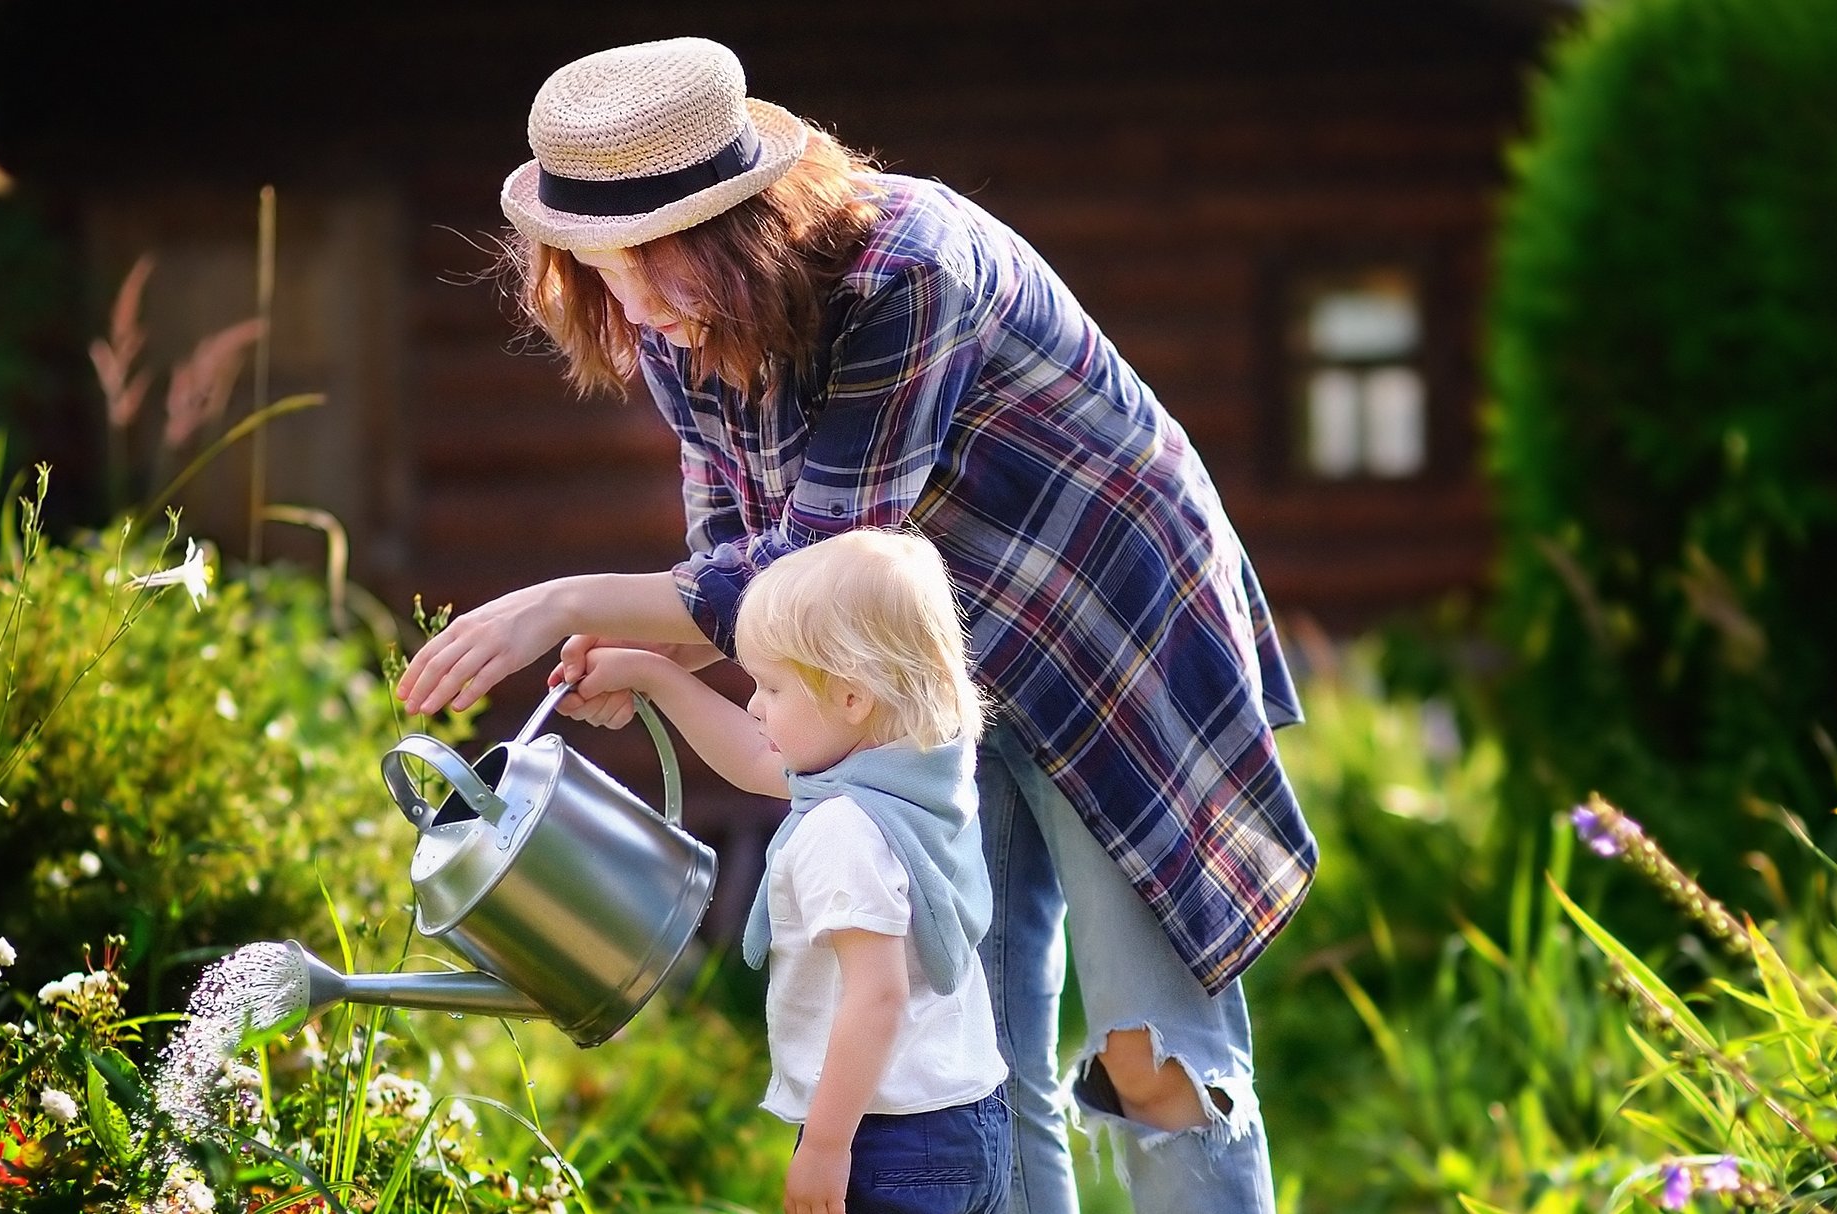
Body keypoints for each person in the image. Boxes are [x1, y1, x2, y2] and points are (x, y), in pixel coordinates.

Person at [394, 35, 1318, 1214]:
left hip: (1102, 637)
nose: (627, 302)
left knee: (1151, 1054)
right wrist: (652, 656)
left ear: (733, 225)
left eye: (642, 259)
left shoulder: (908, 269)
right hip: (920, 674)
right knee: (973, 1045)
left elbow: (824, 556)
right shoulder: (682, 328)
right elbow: (746, 576)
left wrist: (565, 603)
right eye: (594, 263)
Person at [556, 528, 1009, 1214]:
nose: (754, 705)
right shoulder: (922, 775)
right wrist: (653, 675)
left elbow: (875, 998)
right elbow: (758, 760)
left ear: (852, 700)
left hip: (883, 1135)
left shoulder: (844, 830)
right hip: (965, 1118)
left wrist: (825, 1146)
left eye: (771, 686)